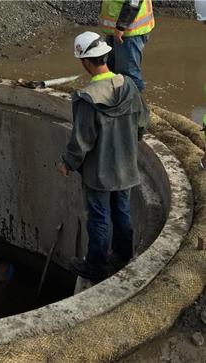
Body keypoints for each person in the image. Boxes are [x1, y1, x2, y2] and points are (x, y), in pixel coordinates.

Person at [57, 31, 150, 282]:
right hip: (126, 167)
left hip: (99, 173)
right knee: (122, 212)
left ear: (86, 62)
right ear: (107, 56)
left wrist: (67, 162)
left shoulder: (88, 98)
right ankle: (122, 256)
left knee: (98, 218)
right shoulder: (129, 86)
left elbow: (82, 140)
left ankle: (96, 266)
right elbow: (142, 124)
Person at [99, 0, 155, 92]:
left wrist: (121, 26)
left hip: (128, 32)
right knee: (112, 70)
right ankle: (117, 100)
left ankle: (134, 103)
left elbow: (134, 2)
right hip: (117, 29)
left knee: (129, 76)